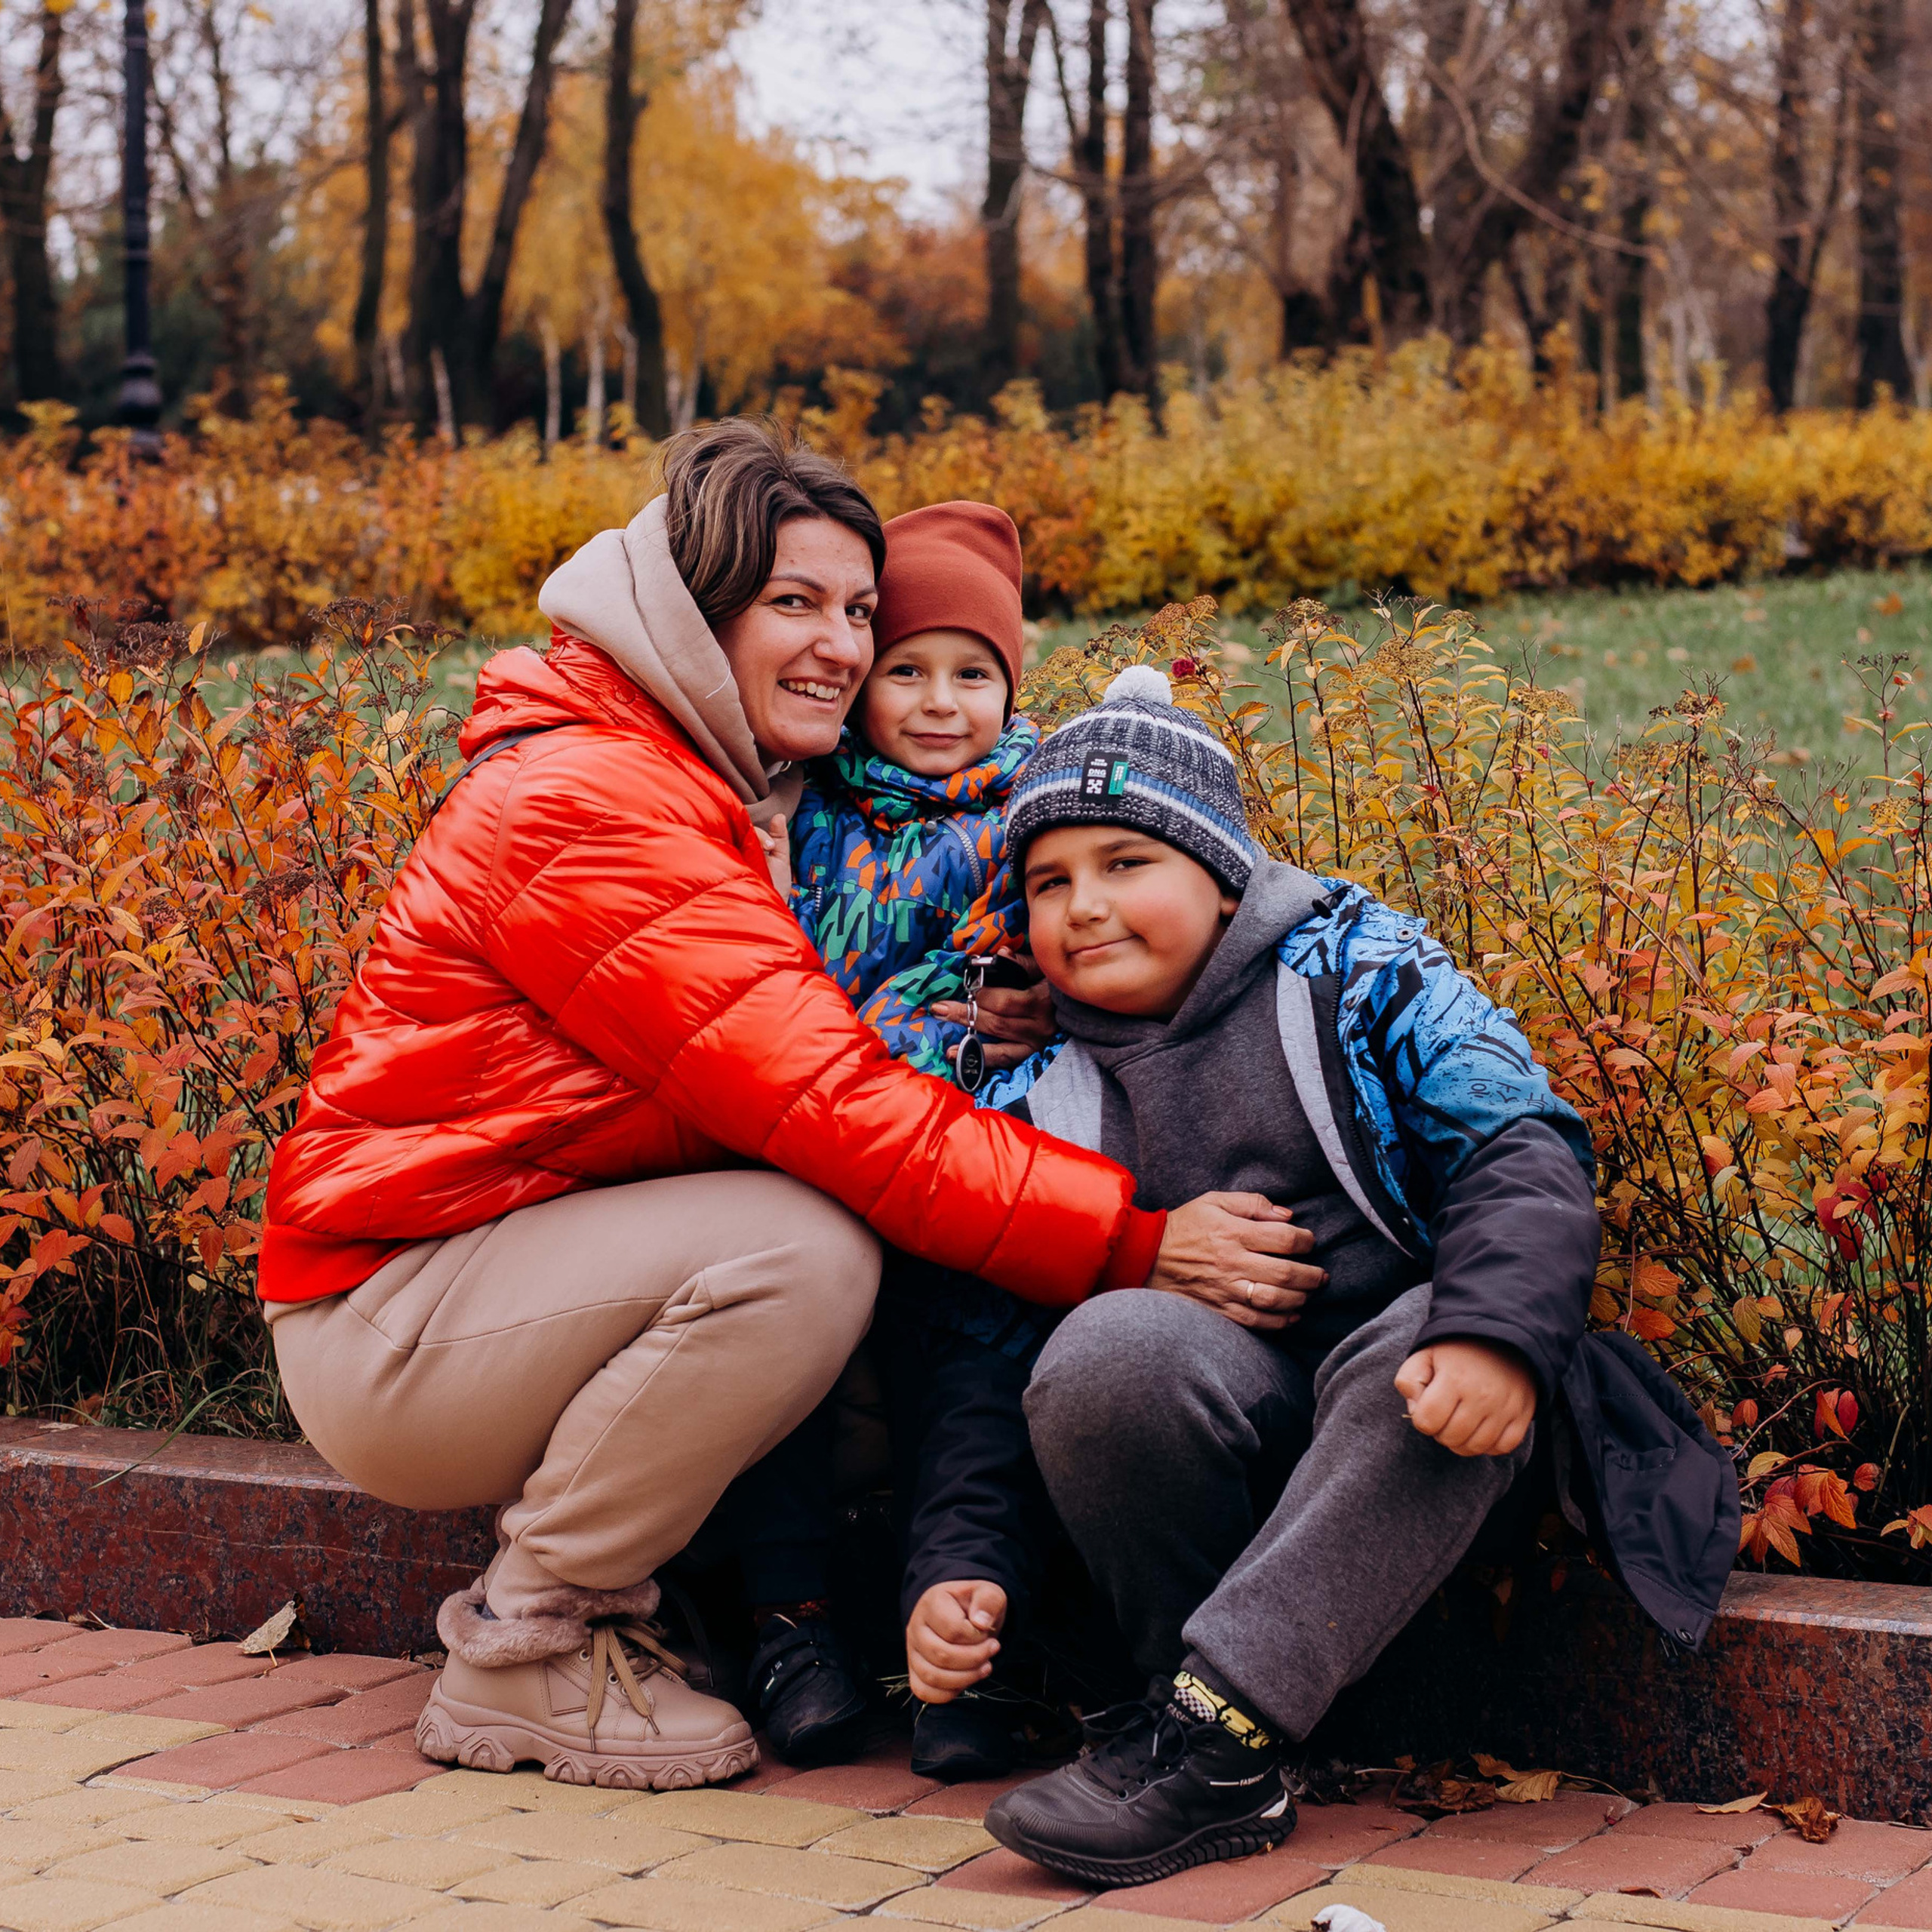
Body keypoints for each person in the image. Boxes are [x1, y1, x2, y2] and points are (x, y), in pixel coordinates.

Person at [257, 422, 1312, 1795]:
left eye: (858, 609)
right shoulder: (594, 799)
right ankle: (530, 1644)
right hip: (395, 1314)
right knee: (802, 1256)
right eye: (790, 602)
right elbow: (829, 1100)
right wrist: (1134, 1241)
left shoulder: (730, 782)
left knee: (879, 1319)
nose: (840, 644)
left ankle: (726, 1613)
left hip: (513, 1268)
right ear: (697, 614)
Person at [958, 664, 1604, 1884]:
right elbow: (982, 1344)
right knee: (1106, 1351)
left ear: (1220, 872)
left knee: (1424, 1339)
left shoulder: (1362, 970)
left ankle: (1224, 1732)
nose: (1084, 906)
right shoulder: (1034, 1084)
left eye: (1125, 863)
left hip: (1433, 1438)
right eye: (1049, 882)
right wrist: (959, 1569)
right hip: (1236, 1435)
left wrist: (1499, 1337)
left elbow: (1522, 1147)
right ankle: (1199, 1724)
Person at [734, 500, 1054, 1770]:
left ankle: (965, 1651)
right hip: (821, 1160)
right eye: (907, 670)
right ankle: (792, 1627)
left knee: (975, 1377)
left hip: (976, 1160)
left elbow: (1100, 955)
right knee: (785, 1378)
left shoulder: (1037, 810)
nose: (938, 703)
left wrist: (1041, 1004)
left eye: (972, 675)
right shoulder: (801, 813)